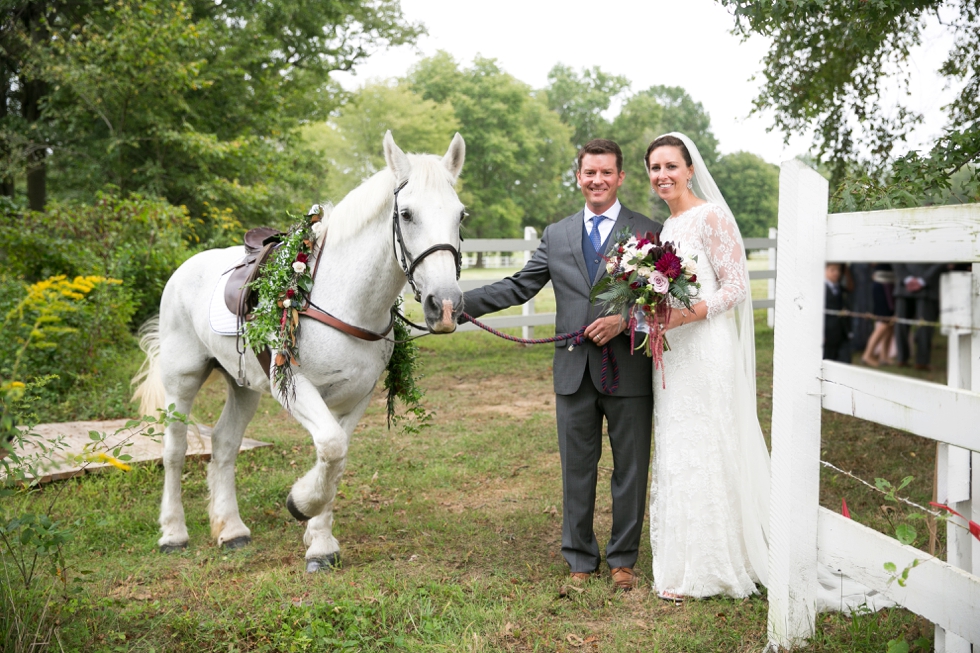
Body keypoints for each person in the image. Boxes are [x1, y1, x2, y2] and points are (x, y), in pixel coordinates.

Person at [643, 133, 892, 611]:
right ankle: (682, 564)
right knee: (679, 445)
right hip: (673, 352)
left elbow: (736, 288)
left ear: (690, 169)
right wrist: (654, 313)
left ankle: (719, 564)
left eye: (671, 166)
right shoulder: (666, 228)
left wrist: (688, 313)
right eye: (655, 168)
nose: (663, 176)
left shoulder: (711, 217)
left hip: (706, 348)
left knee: (712, 443)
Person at [461, 139, 660, 591]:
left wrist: (625, 319)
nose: (597, 180)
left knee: (631, 468)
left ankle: (623, 560)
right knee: (576, 468)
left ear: (620, 177)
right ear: (579, 177)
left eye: (606, 172)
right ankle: (579, 558)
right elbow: (519, 286)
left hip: (628, 370)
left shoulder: (647, 230)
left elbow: (660, 300)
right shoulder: (557, 234)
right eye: (590, 172)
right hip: (573, 372)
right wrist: (460, 302)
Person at [892, 263, 944, 371]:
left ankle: (921, 361)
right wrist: (908, 279)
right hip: (905, 287)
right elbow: (895, 259)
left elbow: (942, 261)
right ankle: (902, 358)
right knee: (901, 324)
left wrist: (923, 280)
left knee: (925, 326)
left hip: (927, 288)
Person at [861, 263, 896, 367]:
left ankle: (884, 356)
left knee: (890, 323)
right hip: (882, 285)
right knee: (884, 323)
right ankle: (867, 355)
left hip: (890, 284)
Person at [823, 263, 851, 362]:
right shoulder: (820, 290)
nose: (837, 273)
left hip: (842, 332)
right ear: (824, 271)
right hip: (828, 333)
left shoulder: (840, 288)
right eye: (832, 270)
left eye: (838, 270)